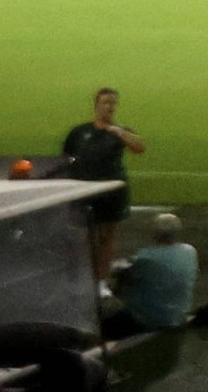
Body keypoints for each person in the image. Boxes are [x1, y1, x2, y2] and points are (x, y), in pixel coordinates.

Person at [61, 86, 148, 275]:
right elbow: (66, 156)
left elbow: (139, 148)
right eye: (105, 102)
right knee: (84, 237)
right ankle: (86, 276)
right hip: (85, 190)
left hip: (112, 191)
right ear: (96, 105)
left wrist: (120, 133)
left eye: (113, 103)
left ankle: (101, 279)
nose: (110, 107)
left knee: (107, 237)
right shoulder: (80, 132)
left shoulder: (120, 132)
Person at [106, 214, 198, 339]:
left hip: (148, 319)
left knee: (106, 319)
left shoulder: (147, 256)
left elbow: (122, 271)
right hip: (179, 315)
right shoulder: (190, 251)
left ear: (155, 233)